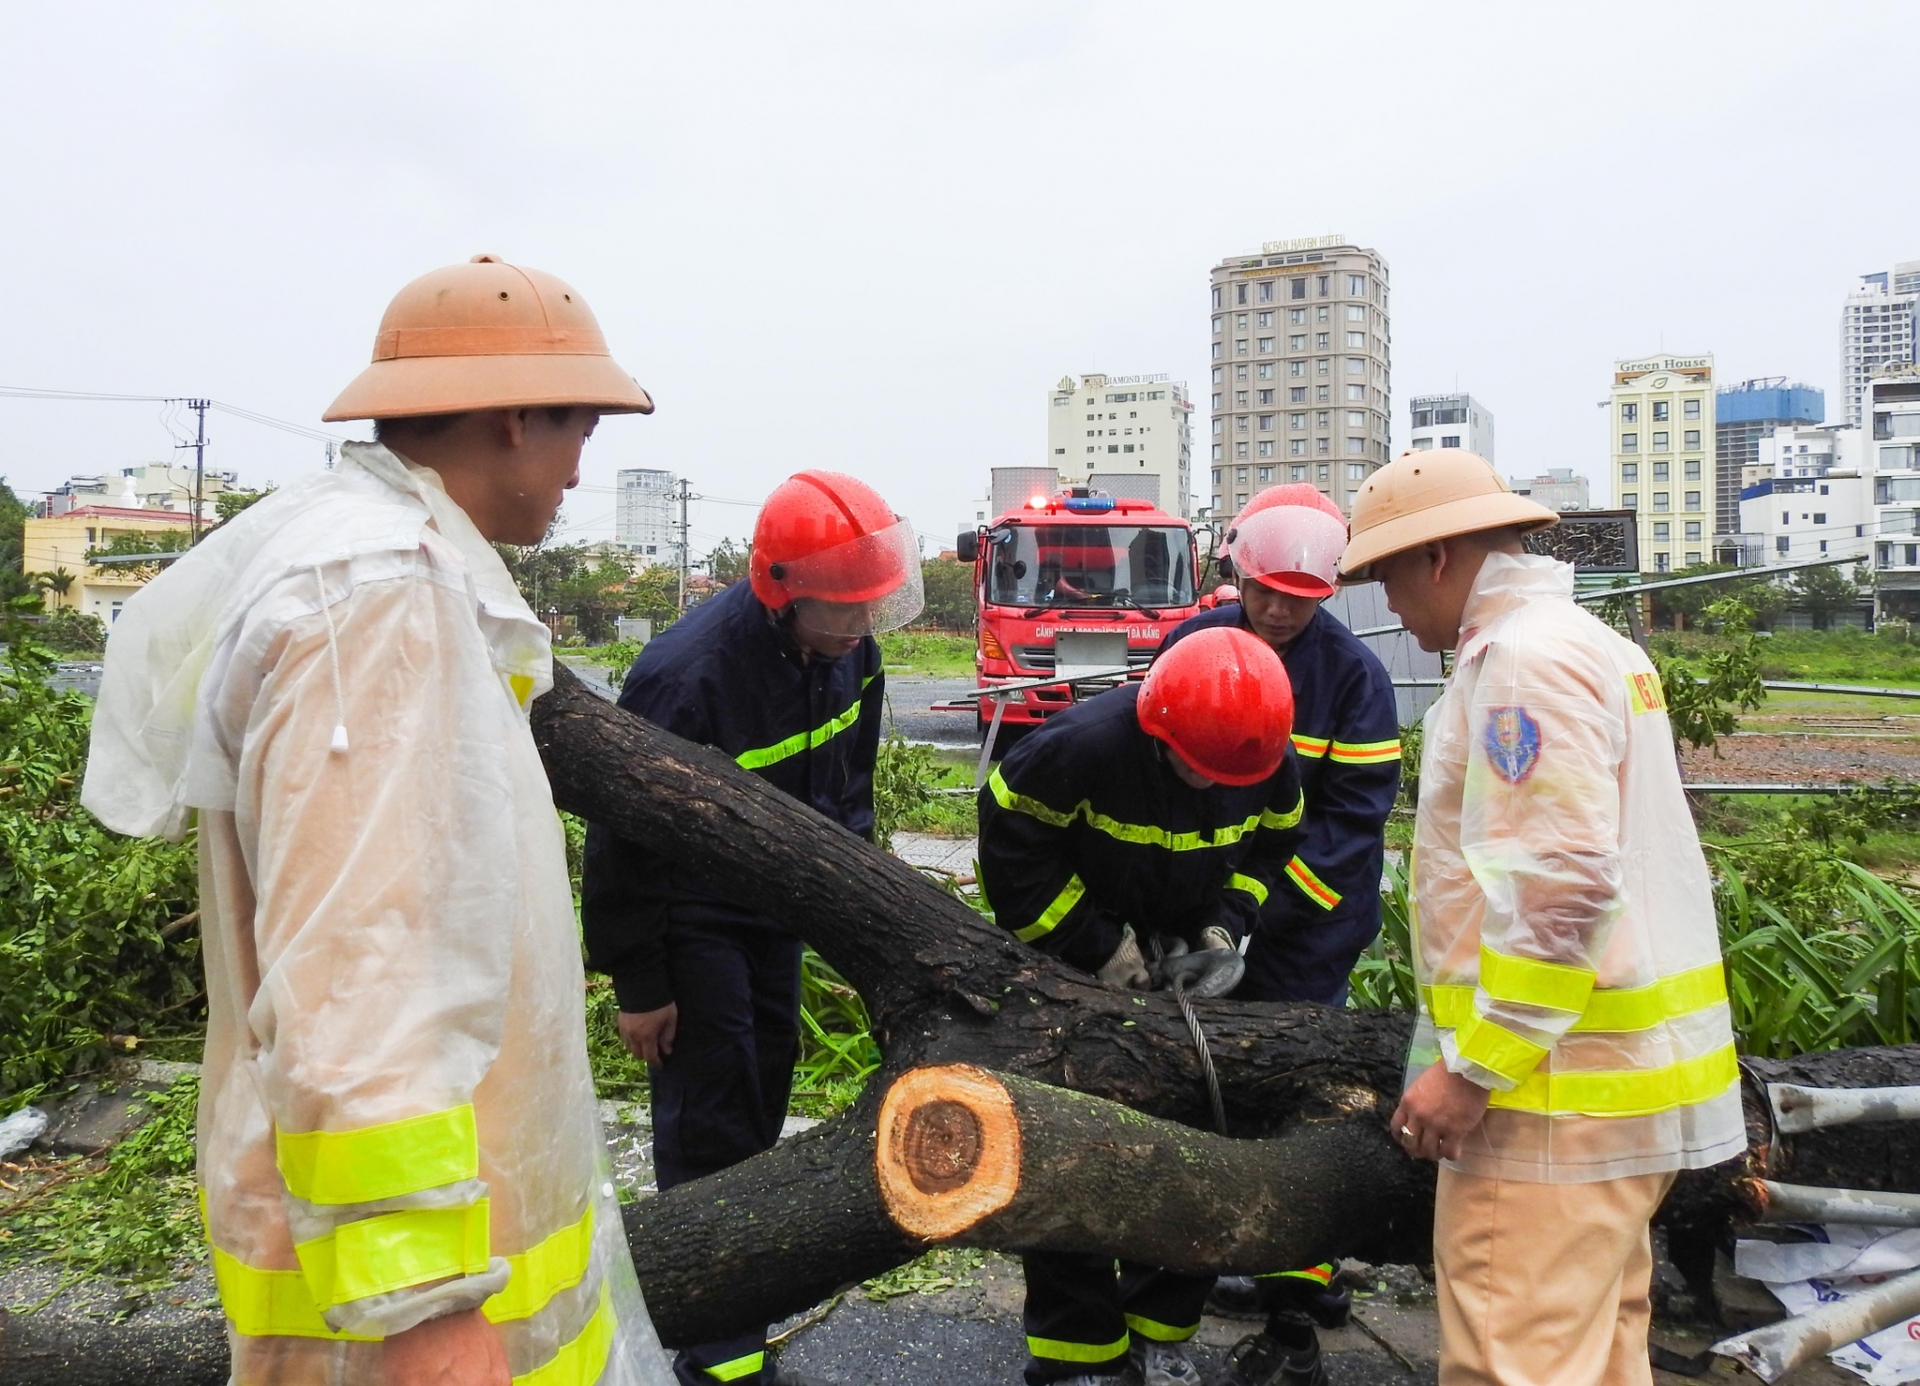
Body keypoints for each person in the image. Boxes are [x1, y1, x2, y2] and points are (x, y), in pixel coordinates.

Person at [82, 255, 672, 1385]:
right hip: (415, 1323)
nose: (579, 469)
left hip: (434, 1285)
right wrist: (430, 1314)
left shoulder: (374, 561)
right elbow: (363, 980)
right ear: (511, 421)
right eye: (579, 431)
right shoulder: (379, 596)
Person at [1342, 449, 1746, 1386]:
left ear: (1437, 557)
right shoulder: (1594, 644)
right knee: (1599, 1356)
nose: (1390, 607)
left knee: (1512, 1363)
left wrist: (1475, 1068)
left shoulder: (1522, 663)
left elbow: (1558, 891)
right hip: (1605, 1095)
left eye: (1388, 575)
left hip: (1548, 1105)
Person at [582, 472, 921, 1386]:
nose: (856, 629)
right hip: (693, 921)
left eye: (866, 609)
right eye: (839, 612)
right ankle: (714, 1349)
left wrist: (854, 917)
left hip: (780, 914)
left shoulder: (850, 651)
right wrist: (641, 985)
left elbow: (845, 794)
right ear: (780, 591)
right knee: (712, 1122)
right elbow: (621, 843)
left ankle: (740, 1311)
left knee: (763, 1098)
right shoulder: (685, 676)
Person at [976, 627, 1306, 1386]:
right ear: (1159, 730)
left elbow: (1275, 846)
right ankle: (1076, 1355)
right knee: (1073, 1149)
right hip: (1068, 965)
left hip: (1183, 952)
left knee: (1198, 1140)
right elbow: (1011, 853)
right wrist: (1101, 950)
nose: (1210, 783)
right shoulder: (1079, 748)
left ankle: (1163, 1327)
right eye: (1197, 768)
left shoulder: (1262, 756)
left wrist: (1224, 924)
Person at [1158, 488, 1402, 1386]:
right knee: (1218, 1093)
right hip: (1213, 906)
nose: (1278, 611)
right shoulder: (1196, 642)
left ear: (1326, 592)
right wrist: (1202, 912)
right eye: (1265, 591)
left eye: (1298, 597)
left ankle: (1298, 1301)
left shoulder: (1355, 683)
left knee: (1305, 1102)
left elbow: (1349, 830)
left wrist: (1256, 923)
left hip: (1309, 927)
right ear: (1240, 573)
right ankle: (1248, 1248)